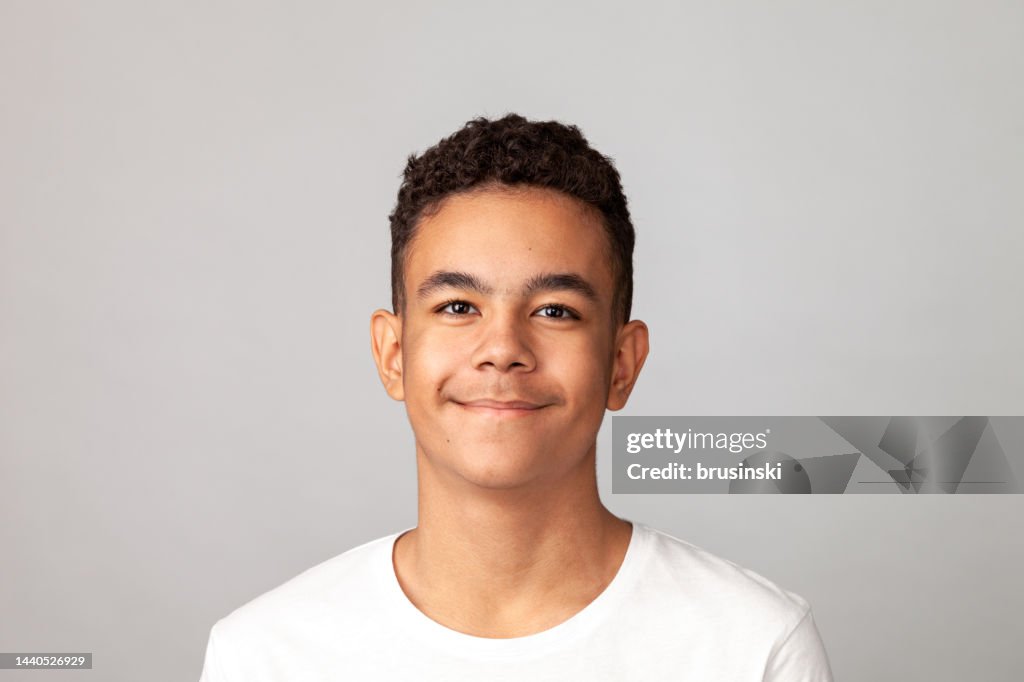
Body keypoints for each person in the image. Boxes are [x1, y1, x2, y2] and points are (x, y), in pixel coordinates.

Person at [198, 114, 834, 681]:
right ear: (393, 354)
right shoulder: (264, 657)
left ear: (621, 363)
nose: (502, 347)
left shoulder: (752, 648)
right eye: (457, 306)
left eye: (555, 310)